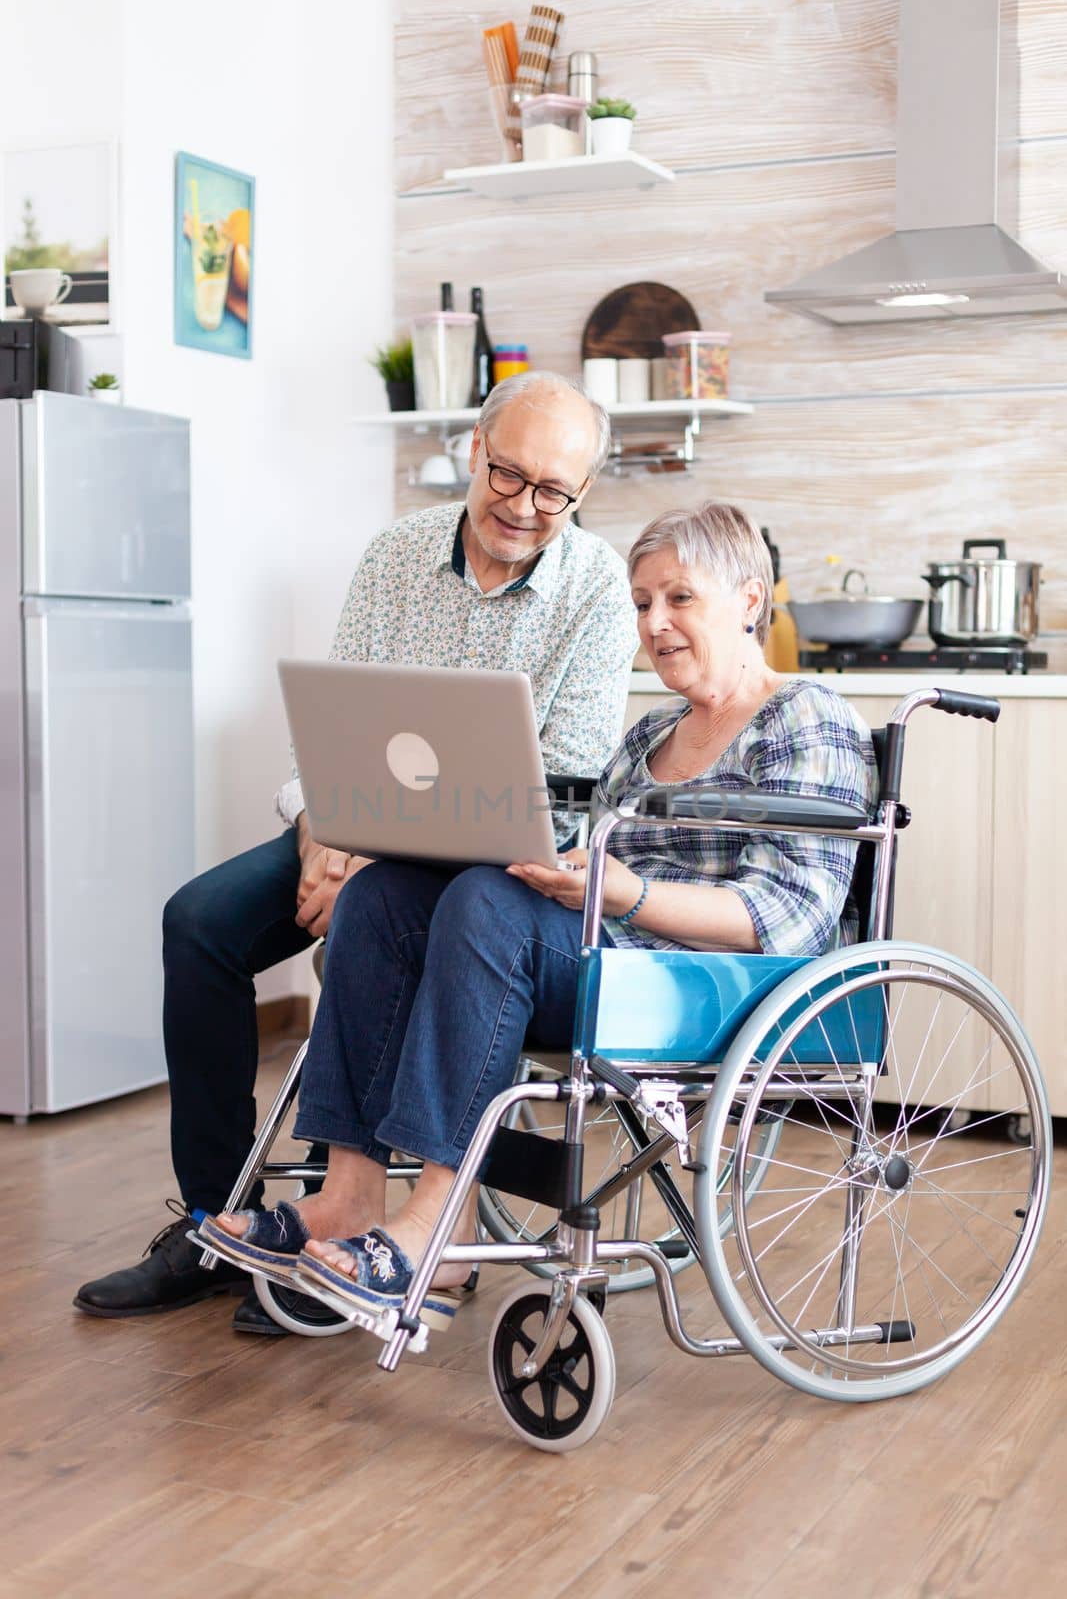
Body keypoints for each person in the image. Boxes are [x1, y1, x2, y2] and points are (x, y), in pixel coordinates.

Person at [200, 501, 880, 1331]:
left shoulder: (806, 718)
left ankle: (434, 1225)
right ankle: (346, 1198)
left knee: (490, 907)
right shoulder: (649, 738)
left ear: (748, 599)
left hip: (713, 980)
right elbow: (594, 875)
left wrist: (623, 892)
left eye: (678, 598)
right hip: (609, 957)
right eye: (641, 603)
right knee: (383, 897)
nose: (654, 624)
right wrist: (553, 869)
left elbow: (791, 916)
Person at [74, 372, 639, 1330]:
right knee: (199, 925)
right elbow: (333, 727)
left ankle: (368, 1232)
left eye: (556, 491)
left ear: (580, 495)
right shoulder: (396, 554)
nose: (525, 507)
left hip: (485, 869)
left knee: (409, 914)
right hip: (350, 830)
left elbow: (566, 792)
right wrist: (321, 830)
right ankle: (212, 1217)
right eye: (509, 475)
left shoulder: (597, 590)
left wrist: (379, 858)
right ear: (474, 450)